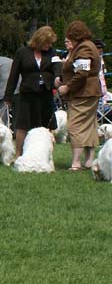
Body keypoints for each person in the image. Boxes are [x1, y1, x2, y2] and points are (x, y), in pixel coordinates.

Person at [4, 26, 60, 158]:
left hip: (45, 93)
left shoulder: (52, 52)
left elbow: (58, 67)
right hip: (27, 94)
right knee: (22, 125)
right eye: (47, 43)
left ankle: (46, 155)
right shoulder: (22, 52)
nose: (49, 46)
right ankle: (19, 155)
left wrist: (58, 78)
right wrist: (8, 96)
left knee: (47, 126)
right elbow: (14, 75)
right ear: (39, 41)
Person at [57, 20, 102, 171]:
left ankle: (76, 162)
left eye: (70, 36)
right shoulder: (86, 47)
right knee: (89, 125)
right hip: (90, 92)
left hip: (83, 93)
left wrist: (67, 87)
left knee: (74, 125)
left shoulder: (84, 48)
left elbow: (82, 73)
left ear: (76, 35)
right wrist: (62, 79)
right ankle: (89, 161)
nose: (68, 40)